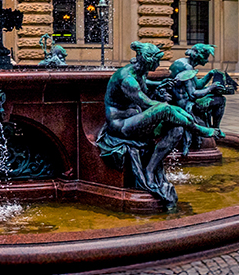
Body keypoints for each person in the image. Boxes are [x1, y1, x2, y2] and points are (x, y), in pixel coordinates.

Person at [94, 42, 221, 207]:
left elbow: (146, 86)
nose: (159, 65)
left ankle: (150, 168)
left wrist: (160, 85)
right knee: (164, 109)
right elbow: (147, 104)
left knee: (177, 128)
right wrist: (164, 103)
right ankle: (199, 129)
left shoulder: (140, 72)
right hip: (120, 125)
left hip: (134, 119)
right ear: (148, 60)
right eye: (157, 61)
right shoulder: (128, 79)